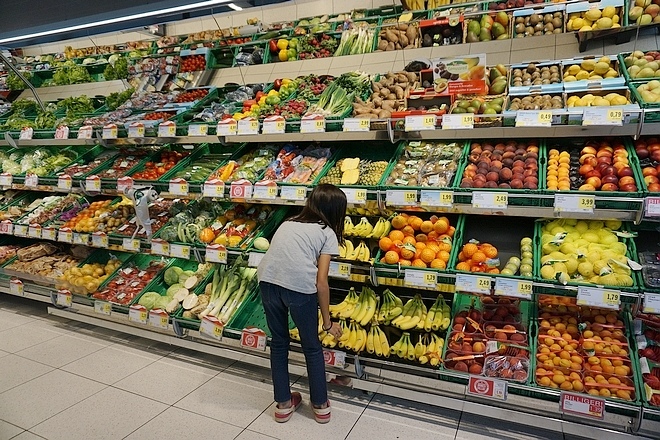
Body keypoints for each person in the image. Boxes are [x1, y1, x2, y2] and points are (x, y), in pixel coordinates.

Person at [257, 184, 346, 424]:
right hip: (298, 289)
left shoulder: (288, 222)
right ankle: (320, 406)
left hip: (267, 281)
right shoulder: (327, 232)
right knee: (311, 346)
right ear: (337, 211)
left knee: (278, 343)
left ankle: (283, 405)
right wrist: (328, 323)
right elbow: (322, 283)